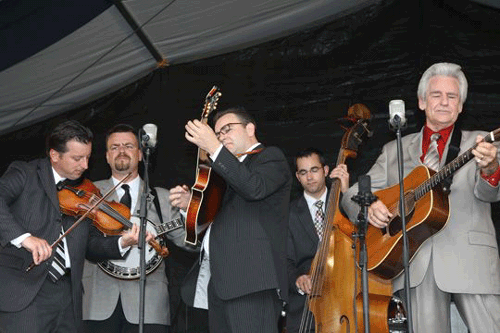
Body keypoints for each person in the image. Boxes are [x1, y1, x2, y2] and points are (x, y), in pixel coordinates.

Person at [341, 62, 500, 332]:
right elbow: (354, 193)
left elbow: (488, 193)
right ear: (422, 102)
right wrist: (370, 206)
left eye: (452, 97)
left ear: (461, 106)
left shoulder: (483, 143)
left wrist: (491, 168)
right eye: (436, 95)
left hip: (471, 260)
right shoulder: (394, 149)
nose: (444, 102)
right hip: (415, 261)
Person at [0, 120, 144, 333]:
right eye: (77, 158)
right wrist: (24, 238)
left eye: (87, 157)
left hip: (68, 297)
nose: (85, 166)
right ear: (55, 155)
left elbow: (91, 246)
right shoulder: (25, 173)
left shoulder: (86, 192)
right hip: (25, 291)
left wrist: (122, 242)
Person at [170, 107, 292, 332]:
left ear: (250, 129)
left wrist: (214, 147)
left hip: (251, 281)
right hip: (220, 284)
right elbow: (210, 220)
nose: (222, 136)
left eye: (227, 129)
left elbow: (253, 188)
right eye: (217, 134)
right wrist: (191, 204)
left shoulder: (270, 157)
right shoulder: (227, 172)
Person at [82, 124, 193, 333]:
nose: (121, 151)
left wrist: (190, 211)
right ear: (106, 156)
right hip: (97, 303)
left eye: (128, 146)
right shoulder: (89, 194)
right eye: (114, 147)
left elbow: (191, 244)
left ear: (141, 154)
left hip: (149, 306)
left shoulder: (162, 197)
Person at [286, 148, 349, 333]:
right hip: (306, 305)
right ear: (298, 177)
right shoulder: (288, 214)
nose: (310, 177)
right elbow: (284, 261)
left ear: (326, 171)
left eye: (314, 170)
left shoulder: (344, 202)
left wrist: (346, 193)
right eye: (303, 172)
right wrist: (298, 279)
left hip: (345, 295)